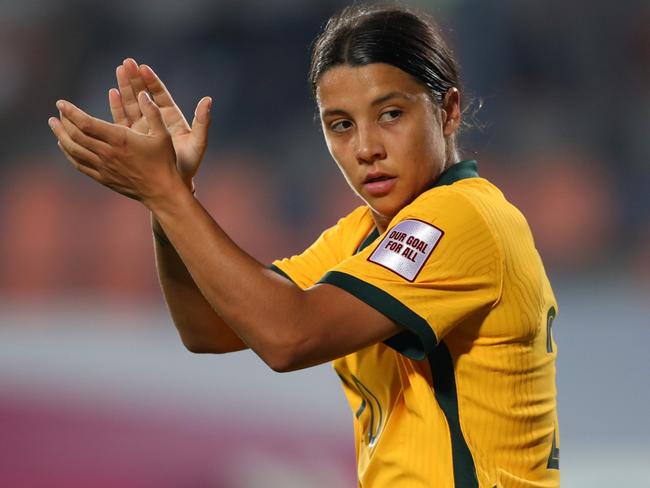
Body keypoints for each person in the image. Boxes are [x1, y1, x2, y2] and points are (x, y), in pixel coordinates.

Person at [48, 4, 559, 487]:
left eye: (391, 115)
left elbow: (289, 337)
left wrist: (166, 195)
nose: (365, 148)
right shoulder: (363, 235)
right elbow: (209, 328)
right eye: (341, 125)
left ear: (448, 111)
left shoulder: (461, 216)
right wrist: (170, 201)